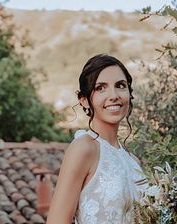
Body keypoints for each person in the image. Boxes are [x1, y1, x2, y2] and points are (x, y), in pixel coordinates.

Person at [46, 54, 145, 224]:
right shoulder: (84, 148)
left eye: (120, 85)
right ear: (84, 101)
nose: (113, 95)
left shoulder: (133, 161)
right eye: (100, 88)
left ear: (129, 93)